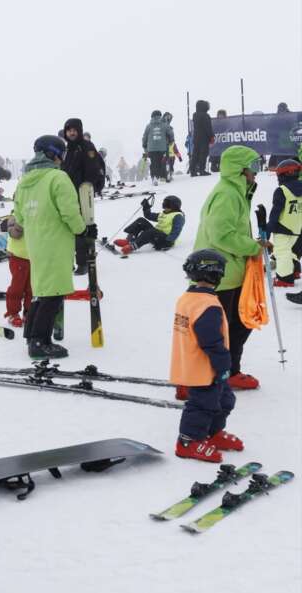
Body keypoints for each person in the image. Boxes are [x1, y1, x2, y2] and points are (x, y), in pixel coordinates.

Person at [192, 145, 268, 390]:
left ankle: (229, 371)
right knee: (215, 330)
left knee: (240, 323)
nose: (257, 172)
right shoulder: (227, 194)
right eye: (253, 166)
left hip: (229, 271)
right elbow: (221, 234)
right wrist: (253, 247)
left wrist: (252, 245)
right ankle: (196, 377)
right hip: (217, 274)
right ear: (239, 169)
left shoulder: (237, 192)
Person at [14, 135, 87, 359]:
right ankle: (39, 342)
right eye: (61, 154)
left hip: (36, 243)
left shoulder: (25, 181)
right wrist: (82, 229)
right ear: (54, 154)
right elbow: (69, 212)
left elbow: (20, 217)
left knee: (42, 291)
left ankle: (32, 334)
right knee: (53, 293)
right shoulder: (58, 178)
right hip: (56, 243)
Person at [170, 249, 242, 462]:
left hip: (199, 366)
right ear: (216, 275)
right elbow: (211, 341)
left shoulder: (188, 298)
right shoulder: (207, 306)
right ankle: (188, 441)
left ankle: (212, 433)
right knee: (203, 404)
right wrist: (223, 365)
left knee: (225, 400)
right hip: (205, 369)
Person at [61, 118, 105, 276]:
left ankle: (84, 262)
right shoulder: (67, 149)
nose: (72, 132)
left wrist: (88, 188)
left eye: (74, 130)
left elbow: (93, 168)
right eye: (69, 130)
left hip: (82, 192)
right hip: (67, 193)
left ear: (79, 131)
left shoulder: (86, 146)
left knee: (83, 226)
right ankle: (71, 261)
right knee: (69, 227)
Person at [267, 159, 302, 286]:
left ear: (283, 175)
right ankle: (295, 271)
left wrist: (267, 230)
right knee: (293, 251)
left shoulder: (281, 191)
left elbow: (275, 214)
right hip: (298, 228)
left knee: (282, 251)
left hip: (283, 228)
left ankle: (285, 278)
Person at [114, 195, 185, 254]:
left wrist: (167, 243)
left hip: (165, 240)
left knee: (151, 231)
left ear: (174, 206)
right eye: (164, 204)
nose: (164, 206)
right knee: (141, 221)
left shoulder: (178, 216)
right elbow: (148, 215)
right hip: (156, 236)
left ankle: (132, 246)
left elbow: (176, 231)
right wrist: (146, 207)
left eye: (167, 204)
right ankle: (128, 240)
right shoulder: (163, 214)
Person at [3, 212, 31, 328]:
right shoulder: (15, 216)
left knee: (32, 288)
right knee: (17, 287)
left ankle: (29, 312)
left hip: (33, 257)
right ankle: (13, 313)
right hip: (18, 257)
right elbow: (14, 233)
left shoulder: (35, 212)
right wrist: (23, 222)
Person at [142, 110, 174, 187]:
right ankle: (164, 174)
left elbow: (145, 137)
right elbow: (170, 133)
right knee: (161, 162)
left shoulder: (148, 126)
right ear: (160, 116)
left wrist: (144, 145)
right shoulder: (164, 125)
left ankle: (154, 177)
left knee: (154, 163)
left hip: (151, 149)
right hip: (162, 148)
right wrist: (171, 140)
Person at [191, 100, 214, 176]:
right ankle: (201, 170)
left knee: (195, 154)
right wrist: (211, 136)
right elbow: (208, 128)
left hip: (196, 137)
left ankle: (193, 170)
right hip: (204, 138)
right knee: (203, 154)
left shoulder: (195, 115)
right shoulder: (205, 115)